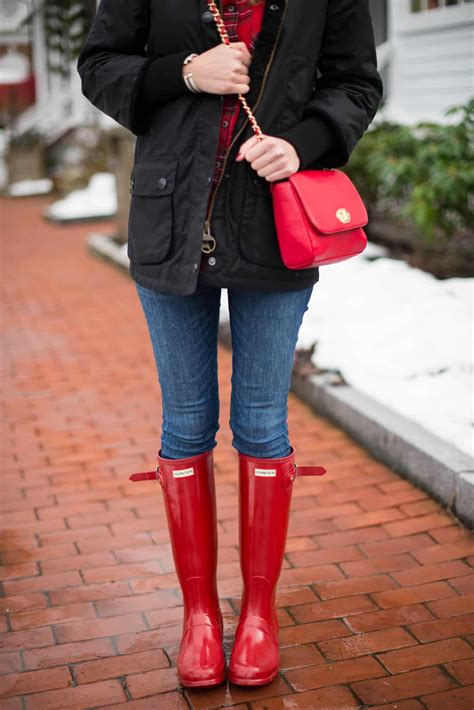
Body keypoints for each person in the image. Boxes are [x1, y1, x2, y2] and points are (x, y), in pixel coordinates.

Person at [77, 0, 383, 689]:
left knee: (262, 428)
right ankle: (199, 618)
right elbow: (99, 65)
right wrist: (186, 71)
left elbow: (355, 83)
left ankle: (259, 617)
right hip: (169, 221)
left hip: (276, 229)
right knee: (185, 427)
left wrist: (303, 141)